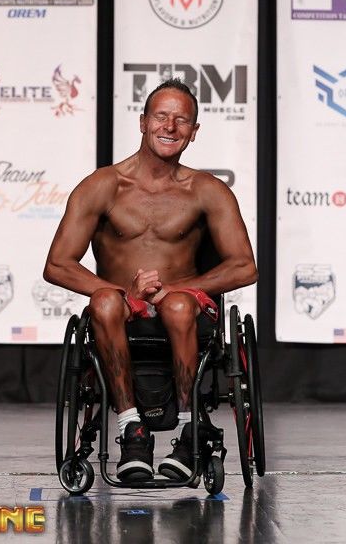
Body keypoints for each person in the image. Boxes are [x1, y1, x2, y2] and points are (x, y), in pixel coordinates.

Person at [43, 78, 257, 481]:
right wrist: (125, 293)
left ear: (194, 132)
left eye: (182, 120)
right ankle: (132, 430)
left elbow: (245, 266)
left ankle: (189, 431)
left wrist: (178, 289)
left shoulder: (207, 190)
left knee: (176, 305)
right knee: (104, 302)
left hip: (187, 308)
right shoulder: (103, 185)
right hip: (121, 310)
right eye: (161, 116)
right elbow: (57, 264)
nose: (170, 127)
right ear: (143, 122)